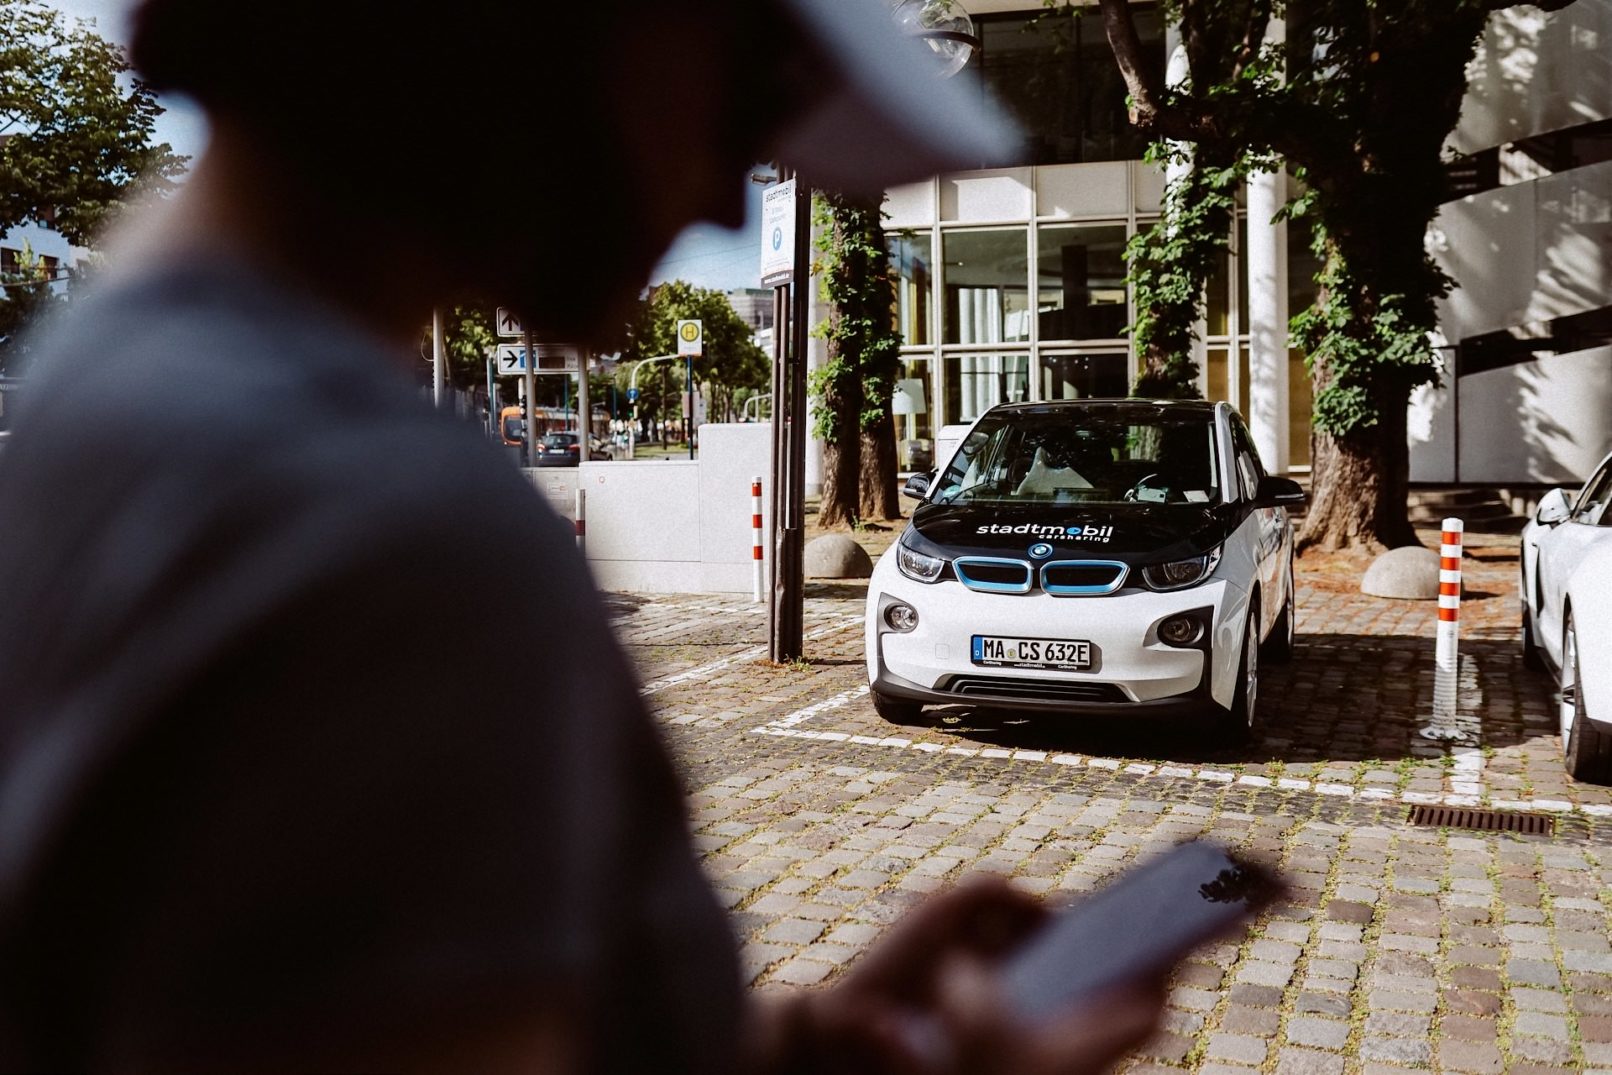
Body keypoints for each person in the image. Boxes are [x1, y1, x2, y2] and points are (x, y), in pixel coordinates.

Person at [0, 1, 1169, 1070]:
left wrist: (803, 1037)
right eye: (744, 89)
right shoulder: (399, 532)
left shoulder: (108, 402)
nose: (725, 197)